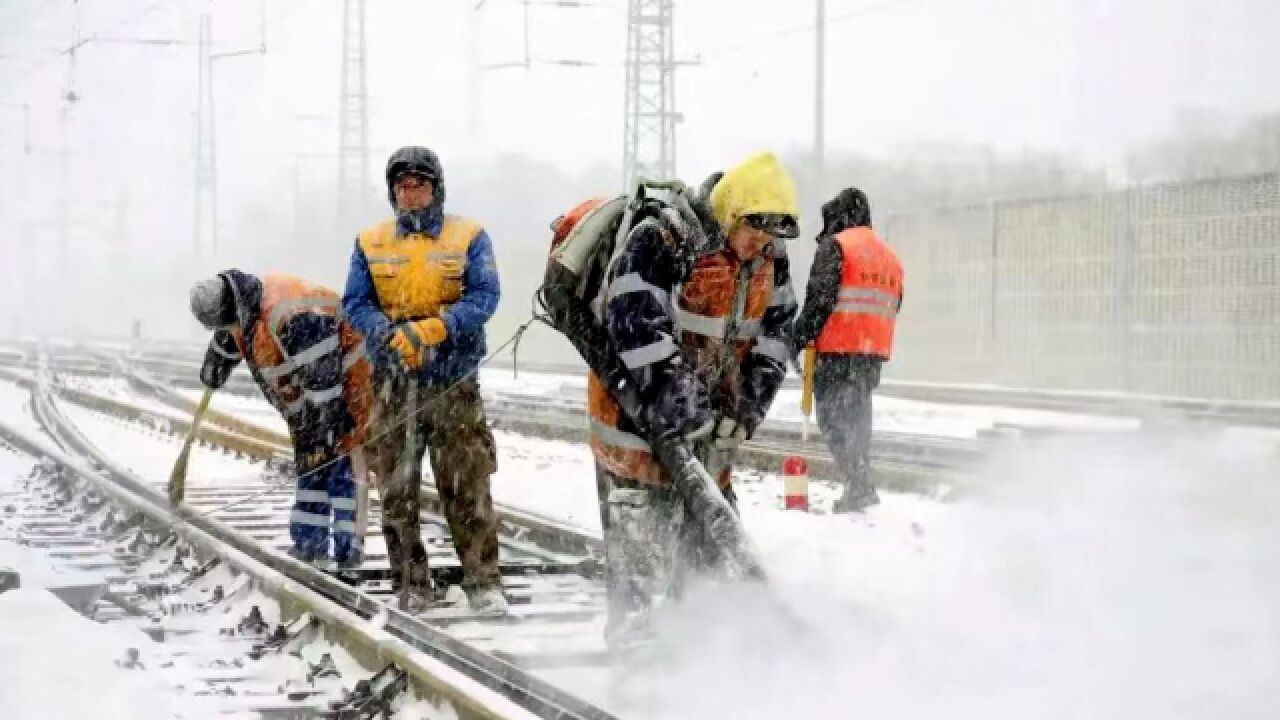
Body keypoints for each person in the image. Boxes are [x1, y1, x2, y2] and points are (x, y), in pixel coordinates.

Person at [586, 152, 799, 647]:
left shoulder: (769, 257)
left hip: (706, 442)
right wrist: (682, 404)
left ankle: (702, 674)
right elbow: (634, 320)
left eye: (769, 239)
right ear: (731, 213)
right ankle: (636, 687)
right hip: (635, 432)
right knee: (640, 579)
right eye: (752, 233)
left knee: (710, 575)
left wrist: (748, 407)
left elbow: (776, 335)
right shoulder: (664, 240)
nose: (758, 246)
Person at [341, 146, 506, 615]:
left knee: (467, 482)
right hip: (394, 382)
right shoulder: (371, 242)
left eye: (420, 185)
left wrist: (439, 328)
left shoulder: (468, 236)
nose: (411, 195)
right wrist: (388, 335)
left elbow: (485, 295)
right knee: (397, 485)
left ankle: (483, 580)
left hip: (453, 381)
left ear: (436, 189)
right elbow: (356, 302)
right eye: (403, 187)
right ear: (393, 193)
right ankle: (410, 582)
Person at [190, 270, 372, 564]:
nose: (225, 329)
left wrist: (325, 425)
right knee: (311, 465)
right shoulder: (242, 306)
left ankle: (348, 550)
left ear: (229, 306)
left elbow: (323, 376)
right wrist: (215, 366)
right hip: (309, 398)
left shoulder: (292, 314)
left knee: (339, 464)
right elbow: (231, 336)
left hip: (347, 389)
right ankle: (310, 546)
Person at [791, 187, 904, 513]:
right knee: (858, 418)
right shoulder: (889, 257)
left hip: (837, 350)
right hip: (871, 354)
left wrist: (795, 341)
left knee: (832, 419)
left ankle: (859, 484)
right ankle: (860, 482)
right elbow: (895, 305)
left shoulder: (837, 247)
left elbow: (819, 302)